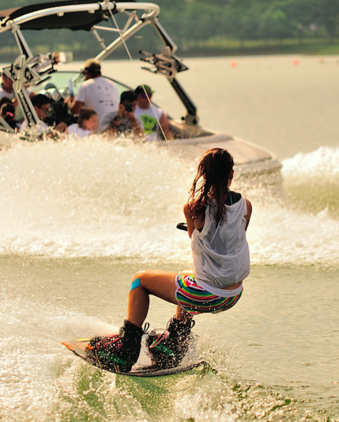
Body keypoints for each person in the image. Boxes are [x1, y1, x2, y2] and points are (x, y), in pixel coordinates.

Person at [88, 148, 252, 372]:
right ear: (231, 174)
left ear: (203, 175)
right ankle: (173, 345)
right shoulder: (246, 206)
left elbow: (195, 235)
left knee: (139, 280)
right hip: (233, 295)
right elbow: (229, 242)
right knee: (186, 277)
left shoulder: (194, 208)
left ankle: (125, 350)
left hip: (208, 295)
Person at [67, 59, 118, 123]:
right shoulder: (112, 84)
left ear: (86, 72)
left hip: (95, 127)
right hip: (112, 126)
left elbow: (75, 111)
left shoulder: (85, 85)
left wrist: (69, 101)